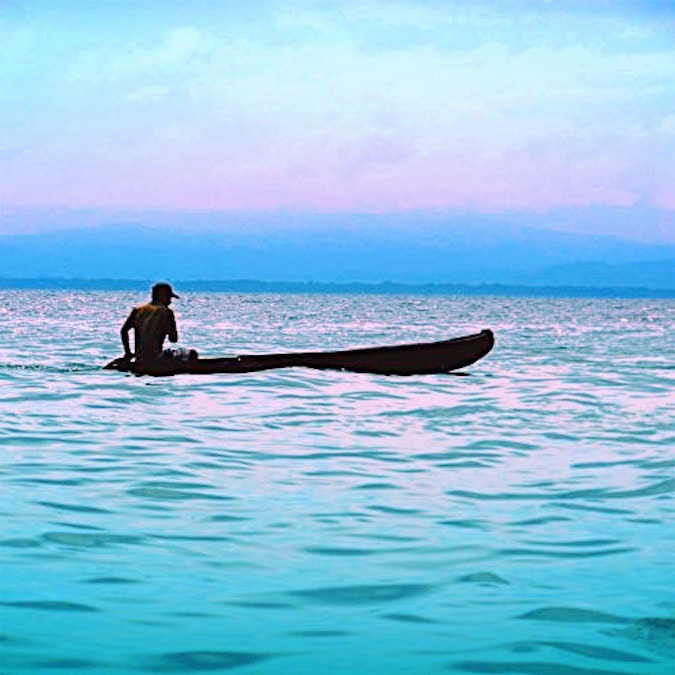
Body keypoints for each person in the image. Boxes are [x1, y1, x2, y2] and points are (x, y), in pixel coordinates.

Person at [120, 282, 180, 363]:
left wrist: (128, 353)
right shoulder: (166, 312)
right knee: (192, 354)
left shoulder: (137, 310)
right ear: (163, 296)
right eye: (169, 298)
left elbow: (124, 331)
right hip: (156, 358)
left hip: (139, 358)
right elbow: (173, 339)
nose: (170, 302)